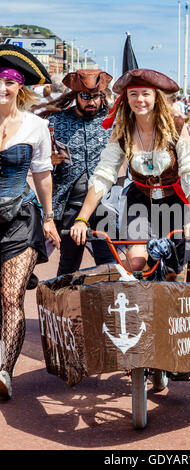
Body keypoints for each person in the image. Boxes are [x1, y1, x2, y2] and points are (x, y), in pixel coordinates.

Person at [70, 68, 190, 279]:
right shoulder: (122, 131)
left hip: (176, 203)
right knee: (136, 263)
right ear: (126, 99)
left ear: (156, 98)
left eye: (145, 94)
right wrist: (82, 219)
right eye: (133, 94)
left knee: (178, 273)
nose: (139, 99)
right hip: (139, 202)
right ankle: (115, 288)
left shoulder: (177, 127)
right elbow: (104, 174)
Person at [0, 44, 60, 399]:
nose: (1, 87)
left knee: (10, 297)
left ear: (19, 87)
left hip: (20, 218)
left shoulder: (36, 126)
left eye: (9, 81)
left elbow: (42, 174)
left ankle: (4, 371)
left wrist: (49, 217)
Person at [39, 69, 121, 276]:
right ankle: (62, 306)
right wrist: (51, 160)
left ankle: (108, 304)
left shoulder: (113, 122)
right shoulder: (56, 121)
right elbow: (41, 163)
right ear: (76, 96)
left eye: (95, 97)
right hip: (69, 202)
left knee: (109, 263)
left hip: (105, 201)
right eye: (85, 97)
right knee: (69, 263)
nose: (90, 101)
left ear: (102, 97)